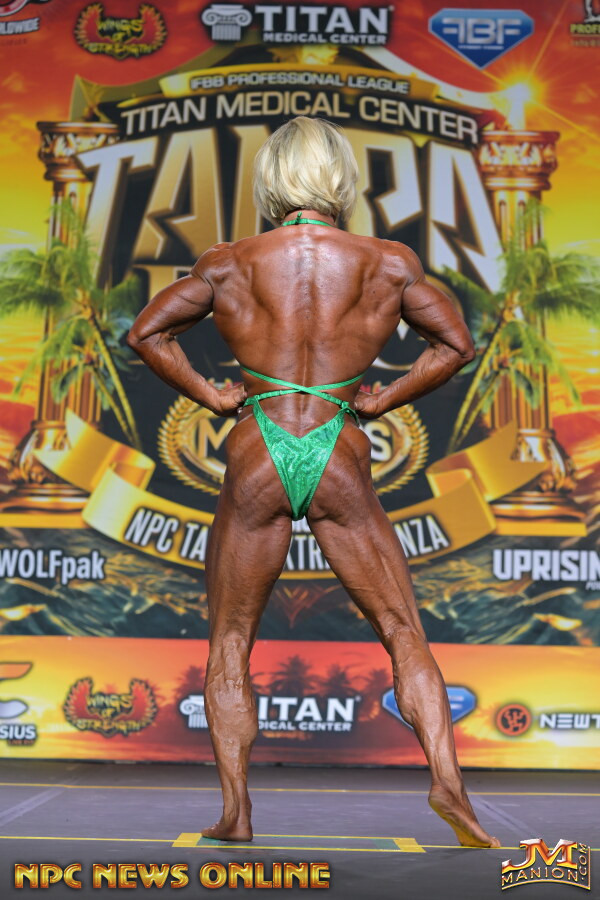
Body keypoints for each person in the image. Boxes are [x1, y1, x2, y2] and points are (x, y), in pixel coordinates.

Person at [127, 116, 500, 849]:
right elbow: (456, 345)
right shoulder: (387, 262)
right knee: (403, 632)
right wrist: (382, 401)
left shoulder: (230, 263)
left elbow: (145, 333)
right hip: (338, 448)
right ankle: (449, 785)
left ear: (272, 181)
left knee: (231, 639)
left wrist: (211, 396)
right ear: (340, 181)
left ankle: (236, 813)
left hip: (258, 449)